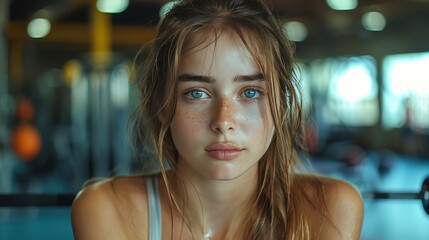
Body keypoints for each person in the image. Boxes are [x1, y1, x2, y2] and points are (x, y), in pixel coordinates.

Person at [71, 0, 364, 239]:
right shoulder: (109, 211)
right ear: (162, 104)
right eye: (197, 93)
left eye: (250, 92)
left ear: (282, 105)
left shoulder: (329, 210)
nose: (224, 121)